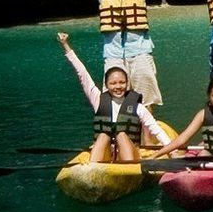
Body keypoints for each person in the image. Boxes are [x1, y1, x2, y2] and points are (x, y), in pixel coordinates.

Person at [58, 31, 165, 163]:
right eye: (113, 83)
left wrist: (173, 149)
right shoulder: (98, 99)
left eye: (122, 82)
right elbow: (82, 73)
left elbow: (156, 129)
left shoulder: (137, 107)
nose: (118, 86)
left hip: (129, 156)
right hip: (108, 154)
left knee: (121, 135)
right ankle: (93, 168)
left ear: (127, 84)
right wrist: (65, 45)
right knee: (103, 135)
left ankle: (126, 169)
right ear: (107, 85)